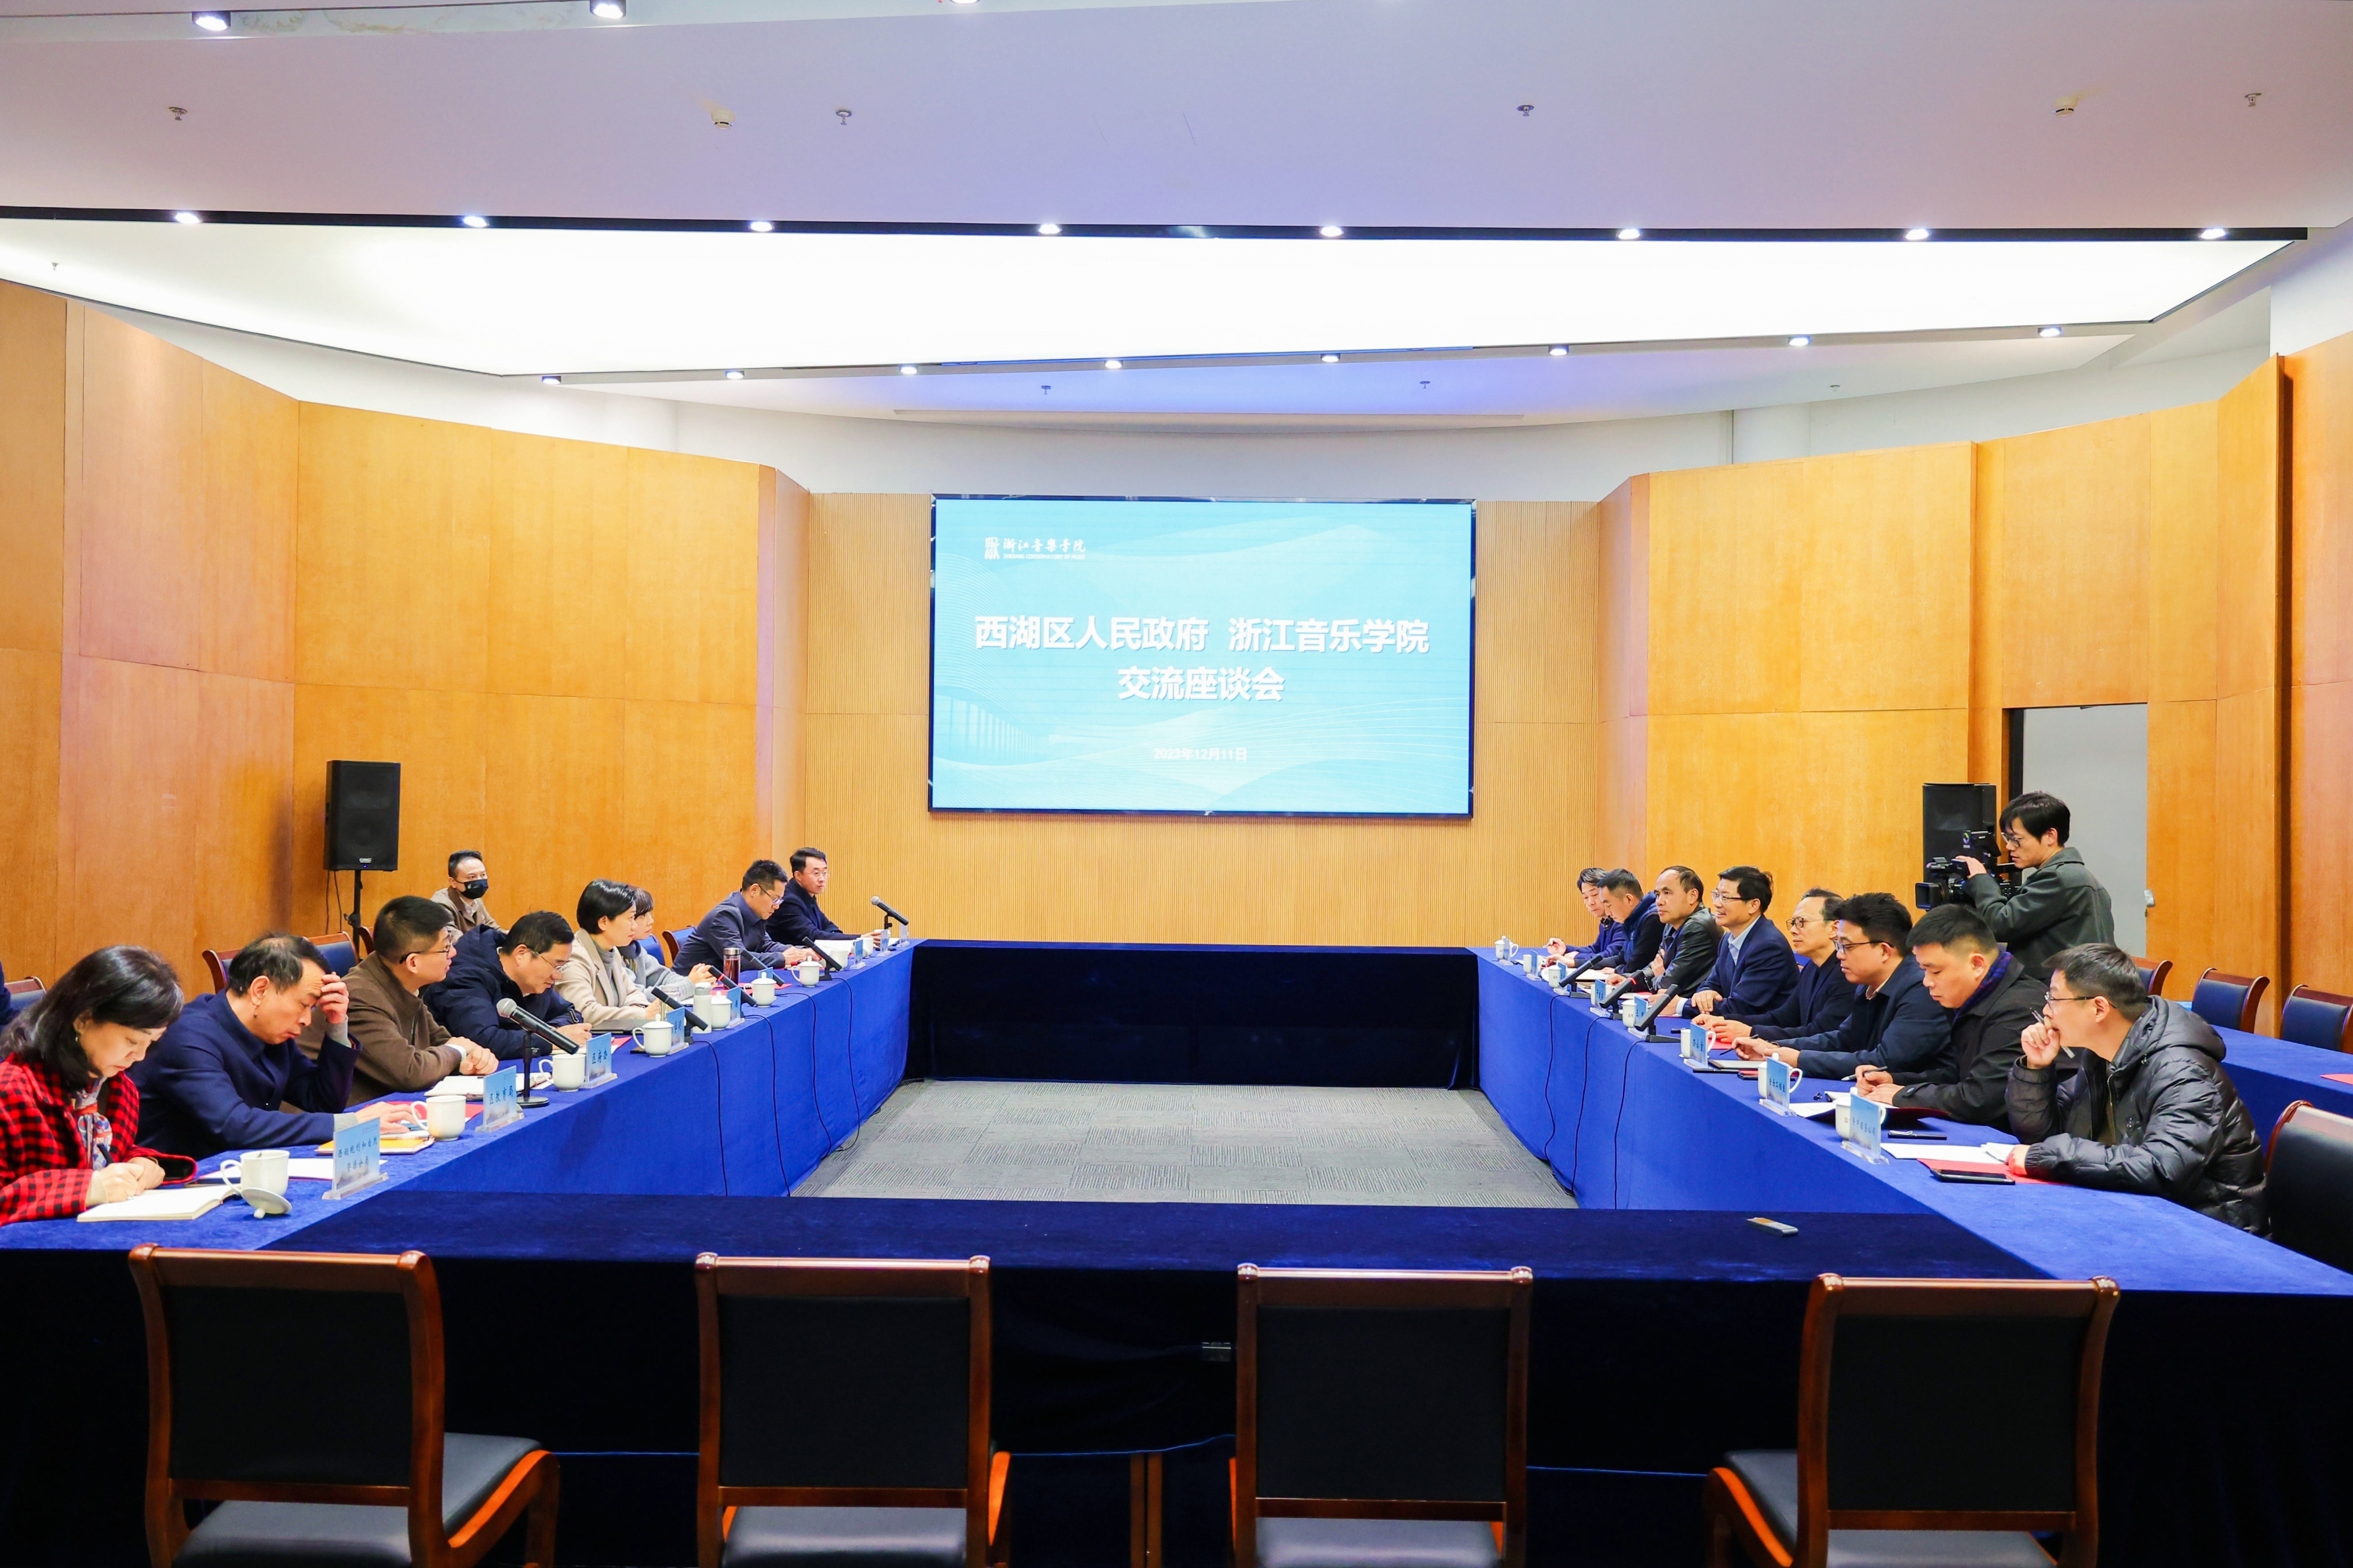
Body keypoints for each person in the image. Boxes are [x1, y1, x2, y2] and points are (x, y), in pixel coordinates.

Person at [2004, 944, 2266, 1230]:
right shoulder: (2101, 1057)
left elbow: (2163, 1167)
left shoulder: (2182, 1072)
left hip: (2209, 1230)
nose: (2046, 1011)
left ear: (2099, 1008)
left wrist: (2051, 1157)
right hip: (2141, 1214)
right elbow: (2041, 1135)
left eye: (2054, 999)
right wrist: (2036, 1069)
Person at [133, 934, 399, 1157]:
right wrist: (352, 1123)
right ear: (260, 990)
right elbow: (234, 1125)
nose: (307, 1020)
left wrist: (337, 1023)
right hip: (173, 1180)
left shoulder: (271, 1032)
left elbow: (322, 1102)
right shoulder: (188, 1036)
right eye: (304, 1005)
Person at [0, 946, 195, 1224]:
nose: (140, 1056)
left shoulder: (119, 1090)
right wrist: (86, 1188)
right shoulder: (11, 1091)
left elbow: (102, 1158)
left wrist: (142, 1163)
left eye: (151, 1042)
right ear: (83, 1019)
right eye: (132, 1041)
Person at [1854, 903, 2040, 1128]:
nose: (1927, 982)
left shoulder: (2018, 1009)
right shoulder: (1976, 995)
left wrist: (1903, 1095)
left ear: (1977, 964)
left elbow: (1980, 1099)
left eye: (1936, 971)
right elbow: (1959, 1075)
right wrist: (1896, 1081)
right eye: (1924, 970)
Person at [1733, 893, 1951, 1083]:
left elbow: (1885, 1061)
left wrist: (1799, 1059)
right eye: (1839, 945)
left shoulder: (1921, 989)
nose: (1839, 955)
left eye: (1847, 946)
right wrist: (1775, 1048)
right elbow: (1844, 1039)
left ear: (1884, 951)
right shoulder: (1868, 984)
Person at [342, 897, 500, 1105]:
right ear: (413, 962)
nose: (454, 953)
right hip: (346, 1119)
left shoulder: (404, 983)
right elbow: (410, 1072)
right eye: (445, 947)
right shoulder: (359, 997)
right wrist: (459, 1051)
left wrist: (472, 1058)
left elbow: (443, 1042)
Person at [1958, 791, 2115, 979]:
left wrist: (1981, 881)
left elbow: (1999, 924)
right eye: (2008, 839)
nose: (2009, 847)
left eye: (2016, 839)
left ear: (2050, 836)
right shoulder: (2080, 878)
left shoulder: (2058, 879)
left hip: (2057, 991)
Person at [422, 912, 590, 1061]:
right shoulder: (465, 976)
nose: (557, 975)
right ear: (522, 954)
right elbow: (484, 1041)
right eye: (555, 965)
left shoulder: (534, 980)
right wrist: (552, 1038)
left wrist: (553, 1031)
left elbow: (569, 1013)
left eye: (561, 967)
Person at [1698, 888, 1857, 1045]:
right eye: (1794, 923)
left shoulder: (1846, 974)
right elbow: (1783, 1018)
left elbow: (1820, 1034)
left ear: (1834, 929)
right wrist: (1723, 1021)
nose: (1793, 930)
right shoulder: (1812, 968)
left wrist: (1751, 1032)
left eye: (1802, 922)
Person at [1681, 866, 1797, 1019]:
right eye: (1717, 895)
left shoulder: (1769, 947)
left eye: (1726, 897)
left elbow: (1740, 1007)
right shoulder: (1728, 940)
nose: (1717, 904)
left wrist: (1681, 1006)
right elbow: (1711, 984)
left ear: (1753, 905)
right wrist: (1705, 994)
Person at [557, 880, 672, 1032]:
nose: (635, 926)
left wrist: (640, 1010)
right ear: (604, 922)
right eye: (630, 918)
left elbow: (632, 993)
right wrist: (642, 1015)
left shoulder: (612, 950)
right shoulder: (574, 957)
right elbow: (584, 1013)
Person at [677, 861, 809, 975]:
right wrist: (782, 958)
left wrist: (800, 952)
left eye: (780, 900)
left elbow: (765, 945)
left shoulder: (757, 911)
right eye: (775, 899)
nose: (777, 906)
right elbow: (739, 959)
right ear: (754, 890)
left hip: (721, 984)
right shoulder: (724, 916)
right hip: (689, 989)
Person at [766, 847, 884, 951]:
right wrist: (859, 939)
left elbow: (828, 926)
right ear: (798, 876)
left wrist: (845, 941)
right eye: (816, 873)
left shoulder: (807, 894)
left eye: (825, 873)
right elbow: (813, 937)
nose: (822, 879)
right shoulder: (789, 900)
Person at [1551, 869, 1658, 974]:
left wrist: (1618, 971)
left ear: (1629, 899)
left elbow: (1634, 965)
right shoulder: (1630, 920)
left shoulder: (1650, 919)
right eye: (1586, 897)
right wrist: (1570, 955)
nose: (1591, 902)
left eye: (1595, 895)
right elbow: (1620, 958)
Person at [1635, 865, 1720, 999]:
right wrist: (1630, 981)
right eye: (1657, 895)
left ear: (1692, 896)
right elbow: (1656, 965)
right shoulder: (1672, 922)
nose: (1659, 902)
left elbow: (1667, 986)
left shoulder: (1697, 927)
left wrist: (1658, 976)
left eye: (1667, 893)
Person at [624, 886, 713, 1004]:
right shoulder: (612, 953)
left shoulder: (634, 948)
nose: (651, 921)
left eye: (649, 914)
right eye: (643, 916)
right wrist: (689, 985)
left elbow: (664, 977)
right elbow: (639, 997)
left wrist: (697, 980)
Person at [432, 850, 497, 937]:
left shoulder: (476, 901)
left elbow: (493, 928)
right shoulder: (441, 905)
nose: (479, 881)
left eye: (483, 875)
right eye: (472, 877)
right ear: (453, 882)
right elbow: (454, 940)